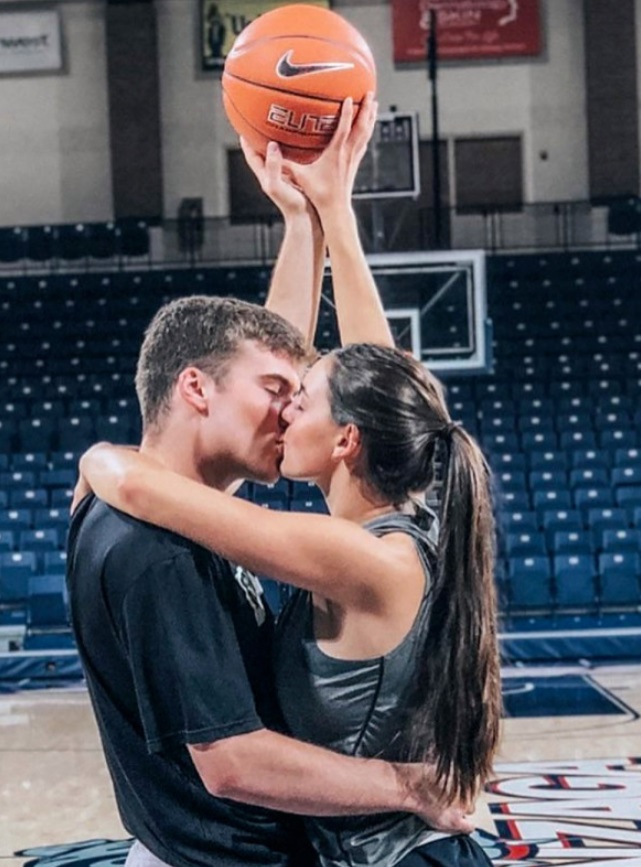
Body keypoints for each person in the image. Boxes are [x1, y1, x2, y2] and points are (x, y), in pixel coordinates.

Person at [73, 96, 501, 867]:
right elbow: (372, 375)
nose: (286, 406)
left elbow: (159, 481)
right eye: (281, 391)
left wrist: (102, 461)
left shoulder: (356, 553)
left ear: (345, 439)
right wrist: (318, 219)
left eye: (298, 398)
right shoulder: (401, 502)